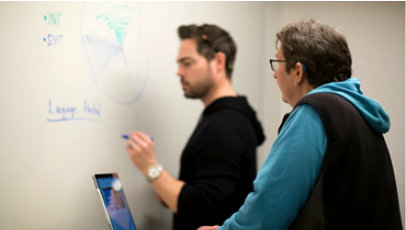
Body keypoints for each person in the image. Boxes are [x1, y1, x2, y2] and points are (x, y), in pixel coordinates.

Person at [199, 18, 402, 230]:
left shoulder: (314, 112)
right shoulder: (360, 114)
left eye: (277, 63)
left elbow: (271, 205)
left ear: (298, 72)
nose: (275, 74)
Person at [125, 24, 265, 230]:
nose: (179, 72)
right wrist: (167, 189)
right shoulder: (226, 116)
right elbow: (212, 190)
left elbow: (205, 209)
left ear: (219, 61)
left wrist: (150, 167)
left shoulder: (224, 125)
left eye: (187, 63)